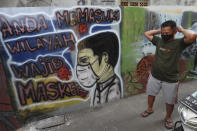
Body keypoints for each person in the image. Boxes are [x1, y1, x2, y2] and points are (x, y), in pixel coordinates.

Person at [141, 20, 196, 129]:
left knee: (169, 101)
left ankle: (168, 117)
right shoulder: (159, 41)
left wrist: (181, 29)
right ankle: (149, 109)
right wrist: (159, 31)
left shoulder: (179, 43)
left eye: (167, 32)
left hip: (170, 79)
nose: (165, 35)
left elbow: (193, 36)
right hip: (155, 75)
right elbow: (147, 34)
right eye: (163, 33)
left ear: (174, 32)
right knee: (151, 94)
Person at [76, 32, 122, 106]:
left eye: (84, 60)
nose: (80, 67)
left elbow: (112, 112)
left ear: (105, 58)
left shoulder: (113, 87)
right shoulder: (100, 84)